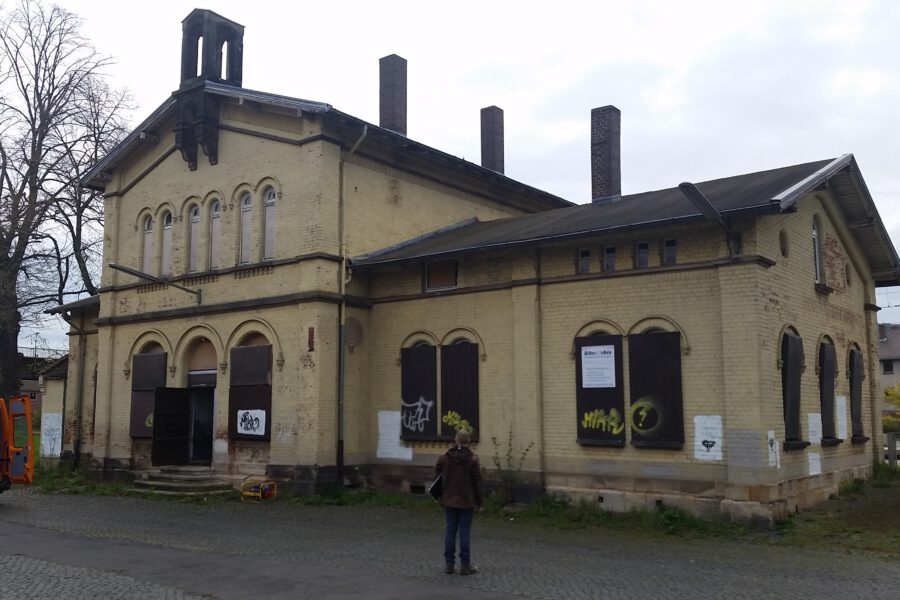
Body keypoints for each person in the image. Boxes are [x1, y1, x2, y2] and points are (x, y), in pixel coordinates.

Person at [435, 429, 483, 575]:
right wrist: (479, 502)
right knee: (464, 533)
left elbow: (437, 478)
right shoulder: (472, 460)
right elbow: (477, 483)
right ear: (468, 442)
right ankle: (465, 565)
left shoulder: (444, 458)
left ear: (455, 440)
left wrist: (438, 497)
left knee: (450, 532)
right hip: (467, 501)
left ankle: (449, 565)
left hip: (449, 501)